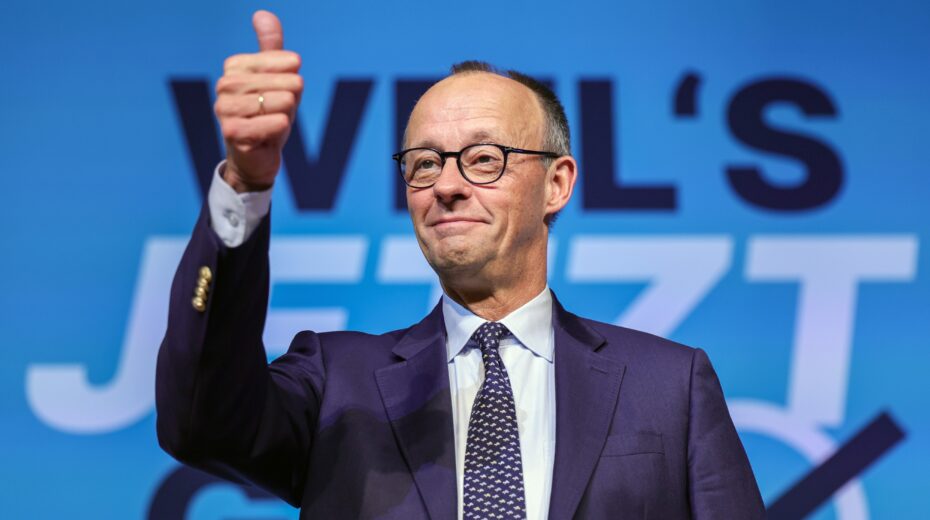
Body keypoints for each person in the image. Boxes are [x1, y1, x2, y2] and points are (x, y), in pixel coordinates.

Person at [156, 10, 766, 520]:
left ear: (557, 184)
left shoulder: (669, 387)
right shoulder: (338, 382)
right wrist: (245, 182)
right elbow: (201, 423)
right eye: (423, 163)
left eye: (483, 158)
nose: (446, 185)